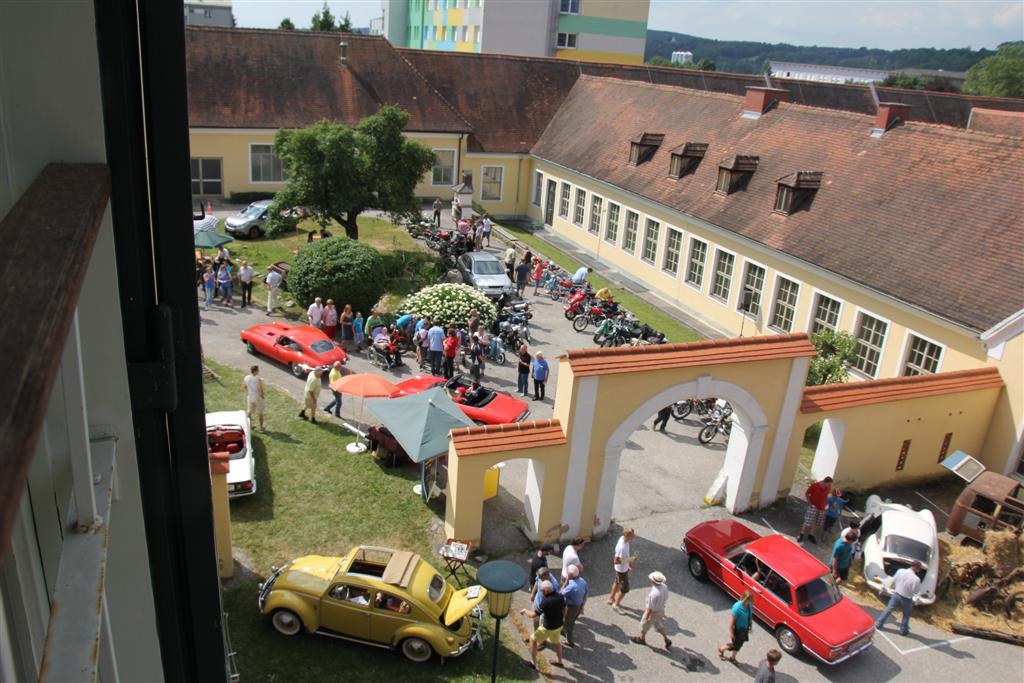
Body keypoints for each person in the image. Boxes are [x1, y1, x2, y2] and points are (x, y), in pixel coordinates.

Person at [520, 581, 565, 670]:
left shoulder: (545, 602)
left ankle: (533, 663)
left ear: (546, 591)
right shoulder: (560, 596)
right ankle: (560, 661)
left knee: (533, 639)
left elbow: (533, 615)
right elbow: (565, 608)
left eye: (541, 591)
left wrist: (525, 611)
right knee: (556, 642)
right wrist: (563, 618)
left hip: (548, 628)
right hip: (559, 625)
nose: (541, 593)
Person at [875, 560, 924, 635]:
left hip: (897, 594)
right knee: (906, 614)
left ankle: (879, 623)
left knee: (889, 609)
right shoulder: (916, 579)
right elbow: (916, 591)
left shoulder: (900, 571)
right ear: (916, 568)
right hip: (907, 598)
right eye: (919, 569)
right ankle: (903, 630)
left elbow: (894, 580)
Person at [630, 571, 671, 650]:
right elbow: (666, 597)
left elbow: (650, 609)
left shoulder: (654, 594)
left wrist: (647, 618)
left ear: (653, 581)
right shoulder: (664, 586)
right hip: (661, 610)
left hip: (653, 613)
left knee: (643, 626)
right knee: (658, 624)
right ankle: (666, 639)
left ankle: (641, 639)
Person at [719, 591, 754, 663]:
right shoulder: (737, 607)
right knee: (735, 645)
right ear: (745, 599)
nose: (751, 601)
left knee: (739, 644)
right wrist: (731, 633)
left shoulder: (749, 605)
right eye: (750, 600)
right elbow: (731, 623)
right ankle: (722, 649)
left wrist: (750, 624)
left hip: (744, 629)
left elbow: (750, 615)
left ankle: (733, 657)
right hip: (737, 630)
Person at [797, 476, 833, 544]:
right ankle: (801, 534)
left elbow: (828, 496)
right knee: (807, 521)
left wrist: (826, 505)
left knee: (816, 522)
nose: (830, 486)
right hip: (813, 507)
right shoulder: (815, 486)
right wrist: (810, 503)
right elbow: (807, 493)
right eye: (829, 484)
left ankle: (811, 535)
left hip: (821, 508)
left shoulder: (828, 488)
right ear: (825, 482)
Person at [560, 564, 588, 648]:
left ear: (569, 575)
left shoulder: (571, 586)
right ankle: (563, 630)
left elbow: (560, 593)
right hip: (578, 605)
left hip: (571, 607)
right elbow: (586, 594)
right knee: (571, 620)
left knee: (569, 623)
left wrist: (565, 582)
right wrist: (582, 606)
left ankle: (569, 641)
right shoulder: (582, 581)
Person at [609, 528, 635, 611]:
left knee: (617, 582)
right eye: (632, 535)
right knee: (625, 589)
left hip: (623, 568)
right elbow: (616, 561)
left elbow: (626, 555)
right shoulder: (622, 547)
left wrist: (629, 563)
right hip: (621, 570)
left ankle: (611, 598)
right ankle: (616, 605)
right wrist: (630, 560)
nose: (634, 537)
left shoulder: (624, 539)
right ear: (627, 536)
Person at [527, 567, 560, 631]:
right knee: (535, 618)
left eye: (540, 577)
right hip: (537, 602)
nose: (539, 578)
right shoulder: (540, 577)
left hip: (545, 608)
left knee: (543, 625)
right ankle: (535, 633)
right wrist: (533, 593)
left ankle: (541, 638)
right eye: (538, 577)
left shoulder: (554, 585)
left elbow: (556, 598)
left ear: (546, 576)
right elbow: (537, 581)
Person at [243, 365, 265, 431]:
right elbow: (260, 389)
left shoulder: (246, 377)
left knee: (249, 412)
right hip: (257, 397)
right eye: (258, 370)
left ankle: (249, 426)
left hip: (250, 397)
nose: (259, 371)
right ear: (255, 371)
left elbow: (244, 386)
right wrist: (262, 396)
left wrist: (250, 390)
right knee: (260, 413)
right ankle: (261, 428)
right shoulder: (258, 379)